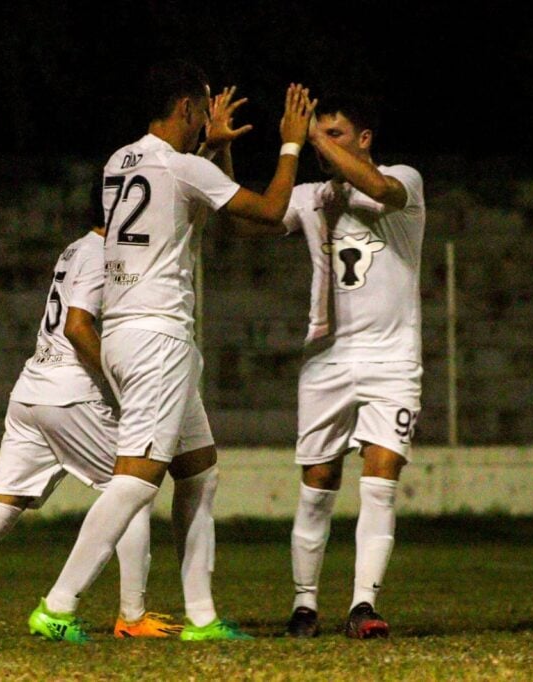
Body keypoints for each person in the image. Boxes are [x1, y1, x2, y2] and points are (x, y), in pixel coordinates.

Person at [27, 59, 317, 642]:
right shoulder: (180, 166)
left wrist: (216, 151)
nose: (206, 118)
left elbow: (190, 198)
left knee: (200, 471)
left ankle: (202, 617)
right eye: (203, 109)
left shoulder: (120, 161)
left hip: (128, 332)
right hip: (157, 334)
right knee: (136, 479)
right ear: (186, 108)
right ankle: (57, 606)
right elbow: (263, 214)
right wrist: (290, 146)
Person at [0, 181, 181, 642]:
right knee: (133, 489)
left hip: (31, 393)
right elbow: (77, 324)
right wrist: (119, 376)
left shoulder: (74, 249)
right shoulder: (105, 253)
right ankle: (132, 614)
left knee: (2, 506)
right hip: (70, 393)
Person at [273, 94, 425, 638]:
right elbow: (250, 222)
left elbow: (380, 190)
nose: (324, 142)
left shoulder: (402, 180)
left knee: (381, 479)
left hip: (392, 361)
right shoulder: (312, 196)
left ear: (364, 139)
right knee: (318, 482)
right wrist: (219, 155)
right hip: (326, 362)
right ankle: (305, 605)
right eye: (321, 133)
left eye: (336, 133)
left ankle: (364, 605)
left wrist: (310, 136)